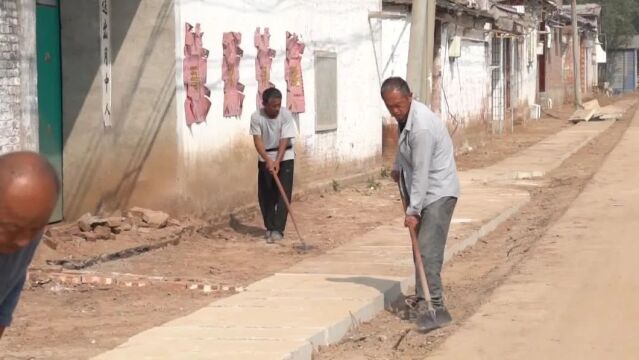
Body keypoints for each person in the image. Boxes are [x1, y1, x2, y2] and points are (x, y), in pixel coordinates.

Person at [380, 77, 460, 331]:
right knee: (420, 251)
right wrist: (397, 167)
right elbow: (407, 153)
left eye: (398, 105)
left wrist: (413, 211)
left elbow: (422, 171)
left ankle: (435, 306)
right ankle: (423, 297)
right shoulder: (407, 120)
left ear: (410, 96)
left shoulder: (422, 126)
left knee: (427, 250)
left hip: (437, 192)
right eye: (390, 107)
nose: (395, 111)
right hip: (425, 190)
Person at [0, 151, 59, 339]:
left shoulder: (23, 231)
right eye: (11, 228)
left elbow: (8, 289)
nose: (23, 241)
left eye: (35, 228)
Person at [250, 87, 298, 243]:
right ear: (264, 104)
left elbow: (284, 139)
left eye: (279, 105)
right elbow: (257, 140)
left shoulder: (285, 115)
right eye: (273, 106)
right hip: (266, 156)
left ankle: (278, 229)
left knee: (283, 193)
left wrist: (277, 161)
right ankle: (270, 227)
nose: (277, 108)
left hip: (285, 156)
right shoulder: (256, 117)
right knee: (265, 194)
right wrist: (267, 159)